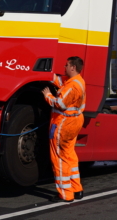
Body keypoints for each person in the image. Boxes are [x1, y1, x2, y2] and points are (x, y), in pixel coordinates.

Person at [42, 56, 86, 202]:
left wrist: (47, 95)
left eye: (66, 65)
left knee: (59, 158)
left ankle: (65, 194)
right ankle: (76, 189)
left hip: (63, 123)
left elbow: (59, 103)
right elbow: (61, 83)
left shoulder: (71, 86)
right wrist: (50, 75)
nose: (64, 67)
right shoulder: (78, 81)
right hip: (74, 121)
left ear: (73, 67)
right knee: (70, 155)